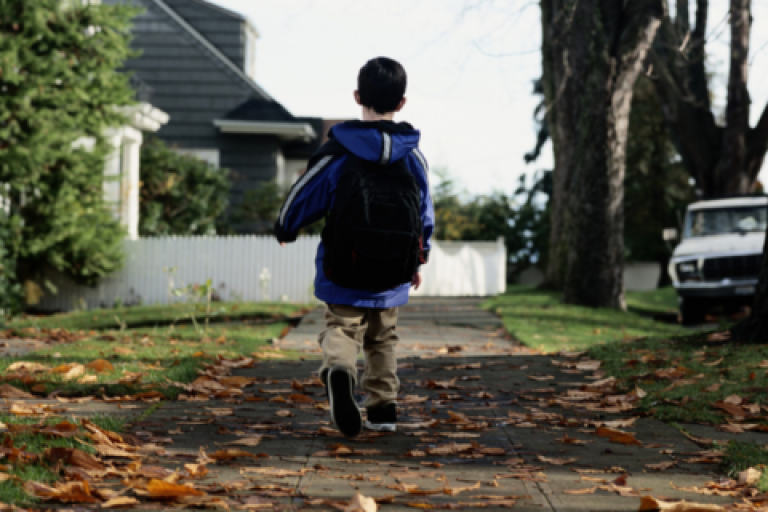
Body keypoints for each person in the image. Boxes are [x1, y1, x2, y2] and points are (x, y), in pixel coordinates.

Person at [274, 57, 435, 438]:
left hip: (342, 265)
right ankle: (382, 409)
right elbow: (424, 215)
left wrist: (286, 227)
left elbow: (304, 196)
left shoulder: (338, 153)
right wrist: (418, 257)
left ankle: (340, 373)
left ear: (357, 96)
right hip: (393, 269)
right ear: (402, 103)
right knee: (382, 339)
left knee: (342, 329)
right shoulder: (413, 157)